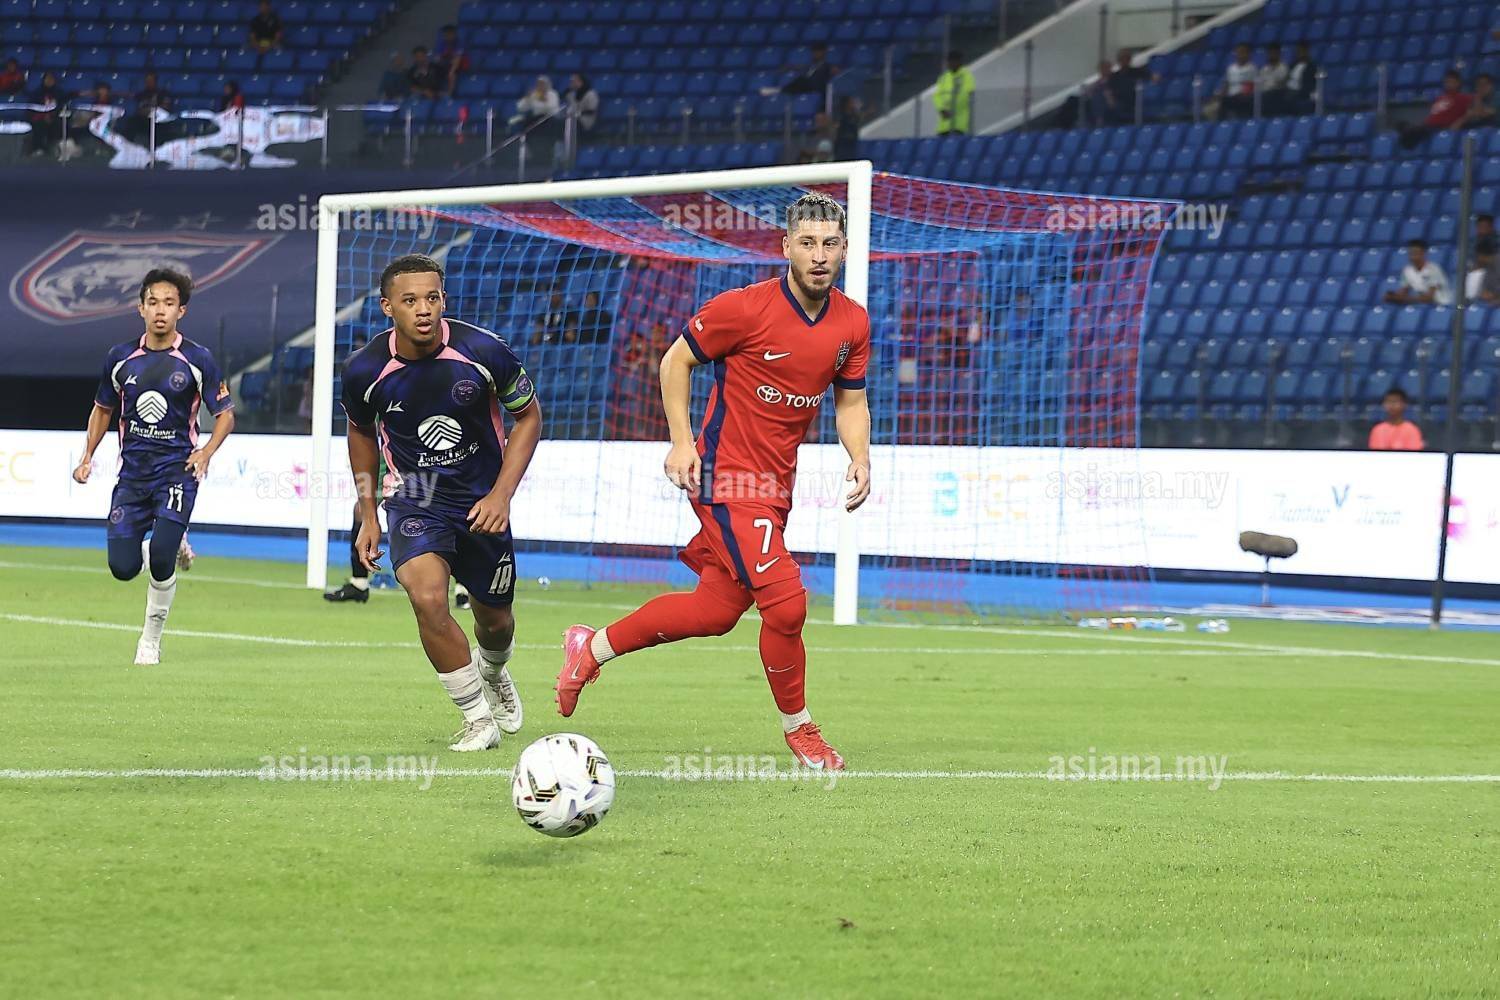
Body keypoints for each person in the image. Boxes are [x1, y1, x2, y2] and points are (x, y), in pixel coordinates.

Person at [555, 192, 873, 772]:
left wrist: (860, 456)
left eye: (830, 244)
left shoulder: (853, 322)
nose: (819, 255)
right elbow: (674, 361)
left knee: (715, 610)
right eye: (807, 243)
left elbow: (851, 400)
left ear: (845, 249)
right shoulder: (743, 309)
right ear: (786, 246)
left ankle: (591, 646)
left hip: (775, 488)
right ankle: (800, 728)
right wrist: (681, 442)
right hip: (725, 478)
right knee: (787, 603)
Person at [340, 254, 542, 751]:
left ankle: (493, 671)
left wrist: (501, 495)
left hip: (481, 504)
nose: (423, 309)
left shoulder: (483, 350)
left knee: (496, 621)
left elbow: (529, 417)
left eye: (432, 298)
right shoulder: (365, 369)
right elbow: (360, 433)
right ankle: (477, 720)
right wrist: (368, 514)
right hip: (415, 500)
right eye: (410, 300)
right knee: (427, 597)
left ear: (444, 300)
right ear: (388, 306)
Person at [71, 269, 236, 665]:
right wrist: (87, 455)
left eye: (169, 303)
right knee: (123, 567)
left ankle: (150, 640)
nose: (160, 310)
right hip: (132, 476)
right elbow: (103, 409)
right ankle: (171, 539)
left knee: (160, 557)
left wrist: (206, 452)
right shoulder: (120, 358)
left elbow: (226, 415)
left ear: (182, 310)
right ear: (140, 308)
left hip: (178, 471)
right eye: (153, 302)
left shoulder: (197, 359)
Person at [1400, 70, 1471, 149]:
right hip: (1428, 126)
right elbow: (1433, 115)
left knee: (1414, 132)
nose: (1448, 84)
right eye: (1447, 82)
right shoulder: (1440, 98)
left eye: (1451, 82)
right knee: (1402, 125)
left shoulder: (1463, 98)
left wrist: (1460, 121)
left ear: (1458, 83)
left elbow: (1473, 112)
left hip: (1441, 127)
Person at [1384, 239, 1454, 306]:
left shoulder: (1434, 269)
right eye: (1410, 253)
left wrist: (1405, 299)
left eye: (1415, 253)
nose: (1413, 256)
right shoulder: (1407, 270)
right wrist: (1393, 296)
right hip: (1423, 305)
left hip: (1442, 304)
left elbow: (1429, 298)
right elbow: (1403, 292)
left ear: (1423, 253)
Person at [933, 51, 975, 135]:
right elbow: (936, 96)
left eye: (952, 61)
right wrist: (942, 109)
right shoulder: (943, 77)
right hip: (944, 126)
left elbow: (966, 94)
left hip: (959, 125)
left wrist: (950, 106)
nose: (950, 63)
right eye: (948, 61)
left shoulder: (967, 76)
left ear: (959, 61)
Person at [26, 71, 63, 157]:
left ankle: (55, 147)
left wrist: (52, 116)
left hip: (55, 117)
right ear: (43, 80)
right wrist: (43, 116)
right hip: (39, 118)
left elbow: (62, 106)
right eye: (47, 79)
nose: (49, 81)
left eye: (51, 79)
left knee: (59, 123)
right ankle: (38, 148)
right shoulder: (36, 93)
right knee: (38, 125)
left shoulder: (59, 93)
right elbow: (32, 108)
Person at [1216, 43, 1258, 119]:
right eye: (1239, 52)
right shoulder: (1231, 68)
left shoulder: (1252, 68)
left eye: (1243, 52)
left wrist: (1244, 93)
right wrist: (1221, 94)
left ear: (1248, 54)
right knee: (1215, 106)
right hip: (1230, 97)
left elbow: (1252, 86)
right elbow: (1226, 85)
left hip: (1244, 97)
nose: (1241, 55)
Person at [433, 24, 470, 96]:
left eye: (449, 34)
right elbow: (437, 58)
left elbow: (458, 58)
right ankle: (435, 92)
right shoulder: (441, 44)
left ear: (454, 34)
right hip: (447, 62)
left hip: (461, 63)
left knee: (452, 73)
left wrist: (451, 71)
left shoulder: (459, 43)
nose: (447, 36)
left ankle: (450, 93)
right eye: (446, 34)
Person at [1285, 42, 1318, 115]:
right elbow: (1286, 79)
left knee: (1289, 97)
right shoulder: (1292, 65)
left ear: (1307, 51)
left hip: (1302, 91)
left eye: (1303, 51)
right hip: (1288, 89)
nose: (1300, 53)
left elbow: (1311, 84)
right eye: (1299, 51)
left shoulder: (1311, 67)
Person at [1466, 236, 1500, 304]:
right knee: (1463, 306)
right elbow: (1484, 289)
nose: (1477, 259)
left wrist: (1495, 296)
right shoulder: (1488, 267)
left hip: (1497, 302)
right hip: (1491, 302)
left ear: (1481, 256)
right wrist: (1485, 293)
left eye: (1478, 256)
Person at [833, 94, 861, 160]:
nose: (853, 104)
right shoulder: (840, 116)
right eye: (851, 102)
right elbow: (836, 130)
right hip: (842, 144)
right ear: (846, 104)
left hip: (852, 144)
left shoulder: (854, 116)